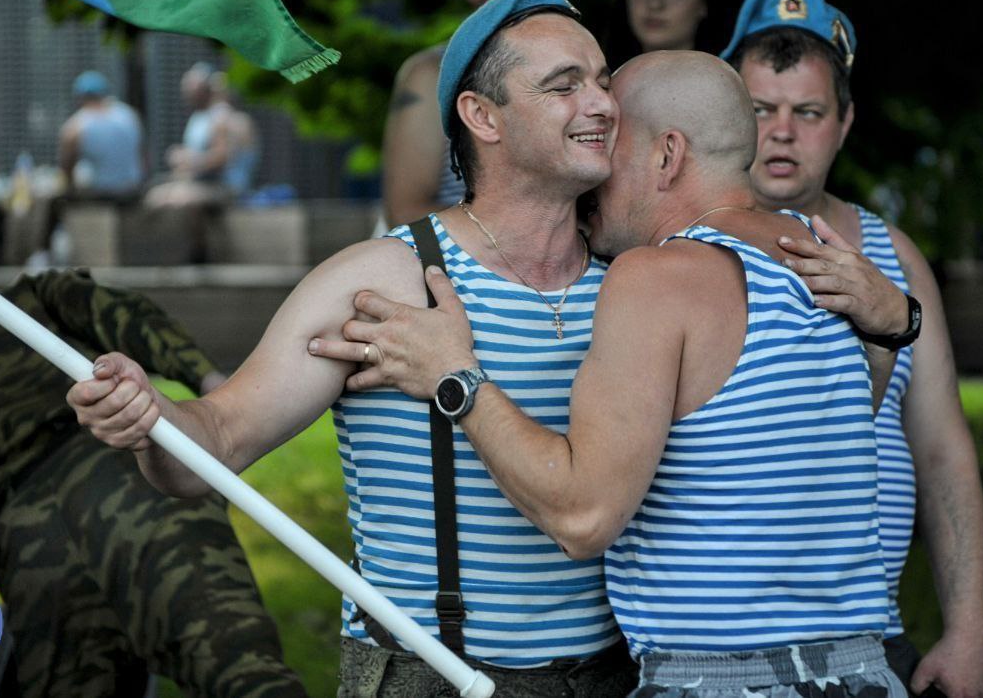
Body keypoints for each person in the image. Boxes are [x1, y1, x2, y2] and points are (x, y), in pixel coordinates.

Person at [69, 0, 645, 697]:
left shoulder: (635, 285)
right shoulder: (384, 281)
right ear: (482, 116)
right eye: (565, 86)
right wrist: (150, 417)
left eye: (601, 81)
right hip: (431, 677)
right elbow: (212, 444)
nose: (601, 104)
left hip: (617, 679)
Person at [307, 51, 916, 698]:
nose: (590, 175)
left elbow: (584, 516)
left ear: (666, 156)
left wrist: (454, 375)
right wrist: (898, 324)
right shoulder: (821, 259)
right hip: (864, 674)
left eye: (609, 148)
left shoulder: (656, 278)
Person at [722, 0, 983, 698]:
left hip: (871, 642)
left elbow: (941, 453)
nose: (781, 131)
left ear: (843, 123)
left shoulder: (895, 257)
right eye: (759, 109)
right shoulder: (677, 253)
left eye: (808, 111)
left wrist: (969, 634)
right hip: (712, 648)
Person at [0, 271, 303, 698]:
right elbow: (115, 312)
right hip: (140, 490)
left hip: (36, 558)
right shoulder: (16, 316)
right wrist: (204, 376)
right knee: (243, 670)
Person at [380, 0, 558, 227]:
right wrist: (528, 228)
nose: (534, 1)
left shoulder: (570, 77)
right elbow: (403, 212)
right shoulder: (431, 76)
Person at [147, 62, 259, 207]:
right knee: (155, 192)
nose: (186, 90)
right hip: (204, 182)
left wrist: (190, 160)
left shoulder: (221, 117)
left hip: (226, 187)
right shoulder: (199, 117)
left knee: (171, 199)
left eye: (192, 85)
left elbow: (221, 158)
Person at [57, 70, 145, 196]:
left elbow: (66, 167)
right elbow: (142, 156)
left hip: (100, 191)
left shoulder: (76, 125)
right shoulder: (130, 116)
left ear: (80, 98)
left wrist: (69, 190)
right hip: (133, 187)